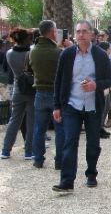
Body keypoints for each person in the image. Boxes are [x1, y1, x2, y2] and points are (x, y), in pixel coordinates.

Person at [52, 20, 111, 192]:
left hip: (93, 105)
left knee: (93, 142)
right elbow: (59, 81)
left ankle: (91, 173)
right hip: (72, 104)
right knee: (69, 141)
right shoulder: (67, 54)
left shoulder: (100, 55)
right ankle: (67, 181)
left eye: (84, 31)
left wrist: (96, 85)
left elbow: (110, 80)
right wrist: (57, 106)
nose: (81, 34)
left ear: (91, 34)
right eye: (78, 31)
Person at [29, 20, 68, 169]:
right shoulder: (58, 52)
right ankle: (59, 161)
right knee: (60, 129)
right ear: (52, 32)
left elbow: (30, 68)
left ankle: (38, 159)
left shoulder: (33, 51)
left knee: (39, 128)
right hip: (55, 94)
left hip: (39, 92)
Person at [1, 28, 35, 160]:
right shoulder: (31, 52)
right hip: (31, 88)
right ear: (26, 39)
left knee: (14, 120)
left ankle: (5, 150)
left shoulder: (9, 54)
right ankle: (28, 151)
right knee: (31, 120)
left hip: (17, 89)